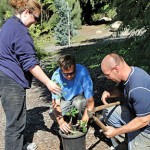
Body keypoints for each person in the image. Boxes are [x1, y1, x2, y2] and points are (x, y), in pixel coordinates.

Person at [0, 0, 61, 150]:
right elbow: (30, 64)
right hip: (11, 81)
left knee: (18, 117)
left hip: (4, 75)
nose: (35, 22)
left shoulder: (9, 24)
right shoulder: (20, 31)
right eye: (36, 18)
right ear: (27, 12)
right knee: (15, 124)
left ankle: (20, 145)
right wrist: (49, 83)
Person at [100, 53, 150, 150]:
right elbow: (121, 90)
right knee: (109, 112)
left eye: (107, 75)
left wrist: (116, 131)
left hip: (146, 128)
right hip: (136, 115)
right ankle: (125, 142)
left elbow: (144, 120)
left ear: (116, 69)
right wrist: (109, 93)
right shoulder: (130, 73)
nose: (108, 78)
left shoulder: (137, 88)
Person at [50, 54, 94, 133]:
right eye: (65, 74)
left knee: (79, 103)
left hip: (78, 97)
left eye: (71, 73)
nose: (69, 76)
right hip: (64, 100)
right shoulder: (56, 76)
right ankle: (67, 123)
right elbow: (56, 103)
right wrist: (61, 122)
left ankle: (80, 122)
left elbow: (90, 101)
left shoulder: (83, 72)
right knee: (53, 114)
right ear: (61, 69)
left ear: (75, 67)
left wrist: (84, 120)